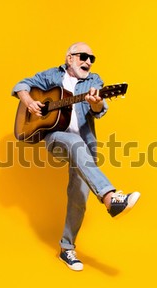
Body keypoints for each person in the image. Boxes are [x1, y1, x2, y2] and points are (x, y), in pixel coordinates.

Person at [12, 42, 140, 271]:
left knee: (79, 197)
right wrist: (29, 102)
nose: (88, 62)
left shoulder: (94, 81)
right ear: (69, 58)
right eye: (83, 56)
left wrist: (97, 101)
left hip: (85, 145)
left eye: (92, 58)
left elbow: (99, 109)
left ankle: (66, 248)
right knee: (72, 141)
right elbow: (21, 85)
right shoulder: (52, 75)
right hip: (57, 139)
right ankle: (112, 199)